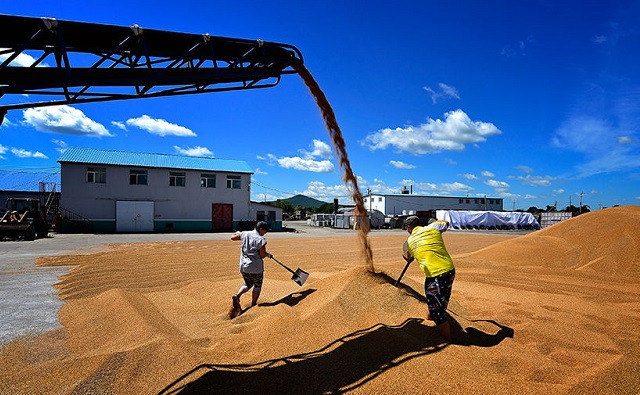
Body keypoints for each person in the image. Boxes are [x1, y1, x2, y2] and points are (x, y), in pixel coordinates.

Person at [402, 216, 456, 342]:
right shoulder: (433, 227)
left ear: (409, 228)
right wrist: (433, 222)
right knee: (439, 299)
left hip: (435, 275)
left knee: (437, 311)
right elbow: (446, 223)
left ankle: (448, 341)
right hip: (449, 270)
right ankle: (431, 317)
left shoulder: (408, 242)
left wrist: (414, 250)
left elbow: (407, 258)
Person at [230, 221, 272, 318]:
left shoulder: (245, 234)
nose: (265, 233)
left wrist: (238, 233)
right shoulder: (260, 240)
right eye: (265, 231)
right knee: (257, 285)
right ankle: (253, 305)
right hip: (255, 267)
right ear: (261, 229)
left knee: (248, 284)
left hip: (244, 266)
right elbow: (261, 255)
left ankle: (237, 296)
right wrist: (266, 254)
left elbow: (232, 237)